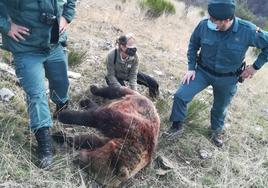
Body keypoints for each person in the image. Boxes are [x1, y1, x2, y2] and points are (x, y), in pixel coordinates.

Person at [166, 0, 268, 147]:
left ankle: (215, 132)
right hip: (202, 72)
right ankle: (176, 126)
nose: (211, 23)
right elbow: (193, 44)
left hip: (228, 78)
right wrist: (191, 67)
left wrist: (255, 67)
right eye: (210, 19)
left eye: (215, 21)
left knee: (219, 108)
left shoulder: (248, 30)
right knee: (181, 96)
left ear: (228, 20)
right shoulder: (204, 25)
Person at [0, 0, 76, 168]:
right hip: (26, 49)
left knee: (61, 85)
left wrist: (65, 17)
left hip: (55, 45)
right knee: (36, 95)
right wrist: (6, 25)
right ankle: (45, 145)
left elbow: (71, 1)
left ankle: (62, 110)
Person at [105, 33, 159, 98]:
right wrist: (122, 88)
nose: (132, 49)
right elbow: (111, 75)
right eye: (130, 47)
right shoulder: (112, 55)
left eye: (134, 47)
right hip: (115, 76)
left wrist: (134, 91)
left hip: (128, 74)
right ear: (122, 46)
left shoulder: (135, 57)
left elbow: (133, 75)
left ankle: (153, 100)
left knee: (153, 83)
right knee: (122, 95)